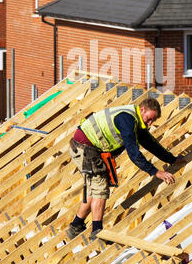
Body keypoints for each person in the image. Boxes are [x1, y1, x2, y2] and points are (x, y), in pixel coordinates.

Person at [66, 97, 179, 242]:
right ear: (142, 109)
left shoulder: (136, 120)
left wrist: (172, 159)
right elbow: (134, 154)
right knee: (100, 189)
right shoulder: (127, 119)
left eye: (153, 121)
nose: (150, 123)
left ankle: (76, 225)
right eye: (149, 119)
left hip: (86, 147)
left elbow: (150, 143)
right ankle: (97, 232)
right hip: (85, 148)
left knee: (95, 188)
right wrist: (155, 172)